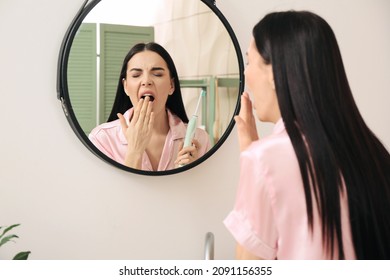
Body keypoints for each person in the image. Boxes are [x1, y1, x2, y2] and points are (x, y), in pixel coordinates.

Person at [224, 11, 390, 259]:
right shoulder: (374, 152)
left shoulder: (263, 160)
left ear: (273, 73)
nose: (245, 75)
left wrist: (253, 158)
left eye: (249, 62)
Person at [89, 42, 211, 171]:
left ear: (171, 85)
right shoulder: (102, 139)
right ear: (125, 86)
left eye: (157, 74)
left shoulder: (199, 139)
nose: (146, 81)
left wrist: (190, 174)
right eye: (136, 75)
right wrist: (134, 151)